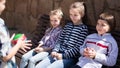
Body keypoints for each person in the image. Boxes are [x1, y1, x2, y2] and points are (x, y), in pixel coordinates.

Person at [35, 2, 88, 68]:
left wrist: (63, 56)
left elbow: (78, 48)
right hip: (57, 53)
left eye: (75, 15)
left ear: (82, 14)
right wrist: (55, 50)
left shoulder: (83, 29)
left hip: (69, 58)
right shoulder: (68, 26)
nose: (72, 17)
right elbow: (60, 40)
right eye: (71, 14)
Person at [0, 0, 32, 68]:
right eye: (3, 4)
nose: (4, 7)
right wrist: (18, 44)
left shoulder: (1, 21)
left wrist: (9, 42)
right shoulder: (0, 26)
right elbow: (5, 57)